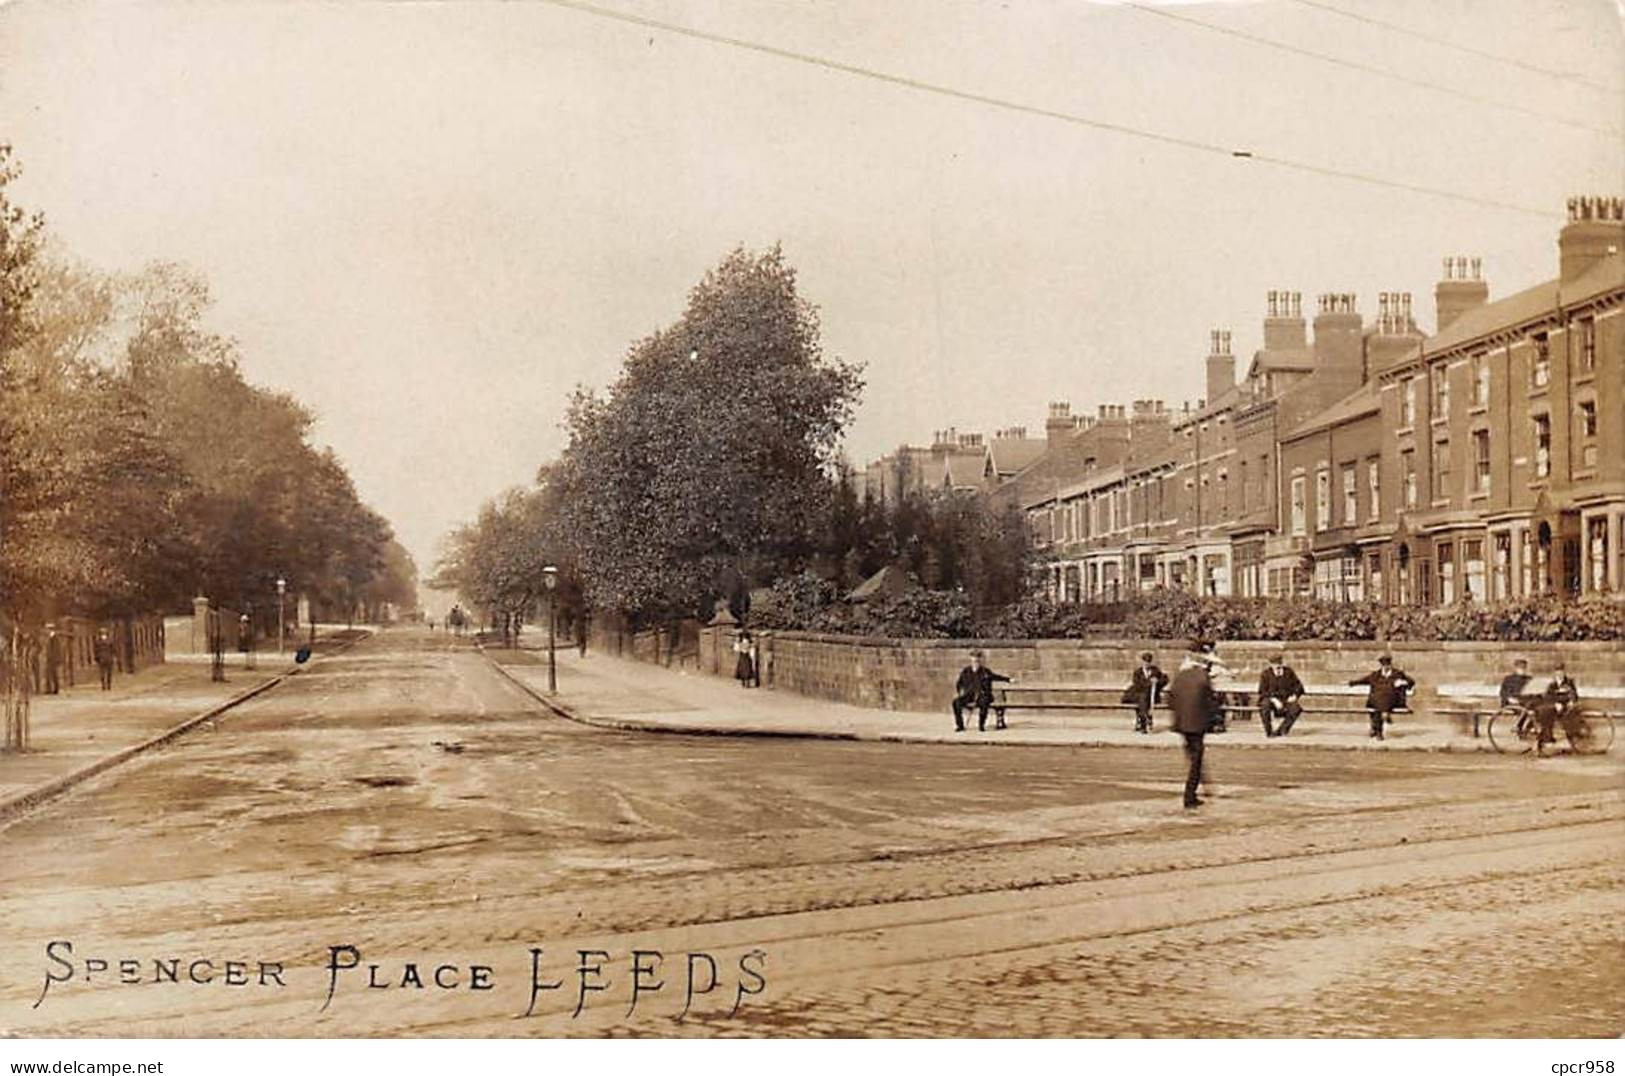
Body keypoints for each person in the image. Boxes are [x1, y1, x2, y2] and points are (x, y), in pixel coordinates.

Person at [1169, 646, 1222, 808]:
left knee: (1194, 756)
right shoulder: (1203, 678)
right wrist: (1216, 722)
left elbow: (1171, 700)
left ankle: (1204, 785)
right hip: (1197, 724)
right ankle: (1189, 796)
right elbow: (1211, 702)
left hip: (1182, 723)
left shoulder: (1179, 677)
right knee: (1196, 759)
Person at [1349, 654, 1415, 741]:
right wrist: (1353, 683)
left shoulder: (1398, 674)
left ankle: (1377, 729)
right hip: (1377, 702)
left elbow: (1411, 682)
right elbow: (1364, 680)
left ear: (1390, 665)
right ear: (1382, 665)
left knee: (1379, 705)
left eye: (1388, 665)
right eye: (1384, 665)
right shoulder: (1376, 675)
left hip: (1393, 701)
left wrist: (1403, 682)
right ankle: (1383, 718)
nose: (1386, 667)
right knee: (1378, 705)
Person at [952, 650, 1012, 733]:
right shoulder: (966, 671)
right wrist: (960, 692)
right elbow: (959, 683)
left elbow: (996, 677)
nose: (976, 662)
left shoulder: (985, 672)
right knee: (956, 702)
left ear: (980, 661)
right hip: (970, 695)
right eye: (974, 660)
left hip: (983, 695)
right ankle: (960, 726)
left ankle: (981, 725)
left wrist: (1008, 679)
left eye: (977, 660)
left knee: (984, 703)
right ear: (971, 660)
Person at [1533, 664, 1581, 756]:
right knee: (1545, 713)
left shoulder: (1569, 682)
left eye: (1561, 671)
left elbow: (1574, 694)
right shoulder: (1552, 684)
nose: (1559, 673)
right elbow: (1548, 697)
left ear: (1564, 672)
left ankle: (1570, 738)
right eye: (1557, 672)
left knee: (1570, 717)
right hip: (1555, 706)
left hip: (1566, 707)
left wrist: (1571, 701)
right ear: (1555, 673)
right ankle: (1546, 738)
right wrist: (1555, 704)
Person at [1257, 651, 1305, 738]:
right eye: (1274, 664)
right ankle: (1269, 732)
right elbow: (1262, 691)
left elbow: (1299, 686)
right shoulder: (1266, 674)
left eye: (1279, 663)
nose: (1277, 666)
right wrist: (1274, 700)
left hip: (1286, 698)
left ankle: (1282, 730)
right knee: (1264, 706)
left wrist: (1294, 696)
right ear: (1270, 664)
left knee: (1296, 709)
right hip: (1271, 699)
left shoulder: (1288, 672)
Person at [1124, 651, 1168, 734]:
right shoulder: (1138, 672)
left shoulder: (1155, 671)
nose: (1147, 664)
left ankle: (1143, 721)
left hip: (1152, 697)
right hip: (1139, 696)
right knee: (1142, 698)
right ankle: (1145, 719)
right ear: (1142, 662)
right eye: (1145, 662)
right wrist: (1149, 683)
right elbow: (1137, 684)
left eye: (1148, 662)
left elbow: (1165, 680)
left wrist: (1157, 681)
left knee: (1144, 699)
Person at [43, 624, 62, 695]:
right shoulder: (49, 638)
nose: (47, 631)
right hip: (49, 659)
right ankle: (49, 689)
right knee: (48, 674)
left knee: (54, 674)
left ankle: (56, 689)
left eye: (48, 629)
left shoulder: (55, 638)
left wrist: (56, 659)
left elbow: (56, 650)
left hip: (53, 659)